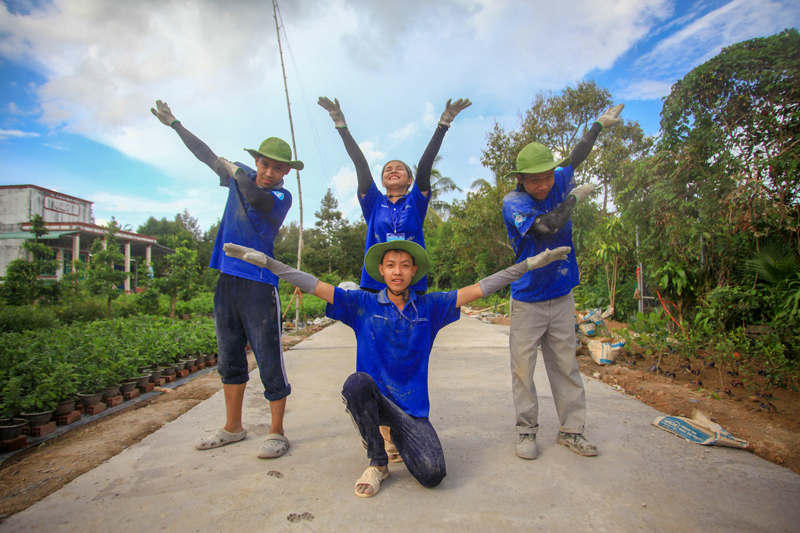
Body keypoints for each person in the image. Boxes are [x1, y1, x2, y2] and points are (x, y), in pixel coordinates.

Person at [222, 240, 570, 498]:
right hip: (373, 397)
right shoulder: (361, 304)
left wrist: (527, 266)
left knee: (434, 474)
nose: (398, 271)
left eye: (405, 265)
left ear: (414, 272)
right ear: (382, 271)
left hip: (411, 411)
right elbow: (312, 284)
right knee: (356, 383)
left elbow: (482, 288)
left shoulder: (431, 307)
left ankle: (397, 439)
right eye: (391, 265)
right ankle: (377, 461)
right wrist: (270, 263)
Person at [151, 100, 303, 459]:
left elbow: (254, 197)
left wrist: (236, 170)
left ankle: (277, 432)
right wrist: (175, 123)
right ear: (258, 162)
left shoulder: (279, 195)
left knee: (268, 357)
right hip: (227, 282)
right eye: (264, 164)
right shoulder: (242, 174)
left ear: (285, 173)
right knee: (229, 358)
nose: (268, 172)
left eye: (277, 168)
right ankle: (232, 427)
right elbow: (205, 154)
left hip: (259, 285)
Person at [501, 103, 625, 460]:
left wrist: (598, 125)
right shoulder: (515, 201)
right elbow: (548, 226)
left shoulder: (557, 180)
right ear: (521, 179)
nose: (542, 184)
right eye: (534, 178)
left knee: (566, 367)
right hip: (528, 300)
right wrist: (573, 198)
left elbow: (577, 156)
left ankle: (572, 431)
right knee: (523, 371)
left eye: (548, 177)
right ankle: (526, 432)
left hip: (561, 295)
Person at [317, 96, 471, 294]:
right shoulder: (374, 202)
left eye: (400, 168)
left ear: (410, 180)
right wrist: (341, 125)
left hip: (412, 282)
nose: (393, 170)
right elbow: (360, 165)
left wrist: (444, 124)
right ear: (382, 182)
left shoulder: (416, 201)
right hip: (375, 282)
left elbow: (425, 165)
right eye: (387, 169)